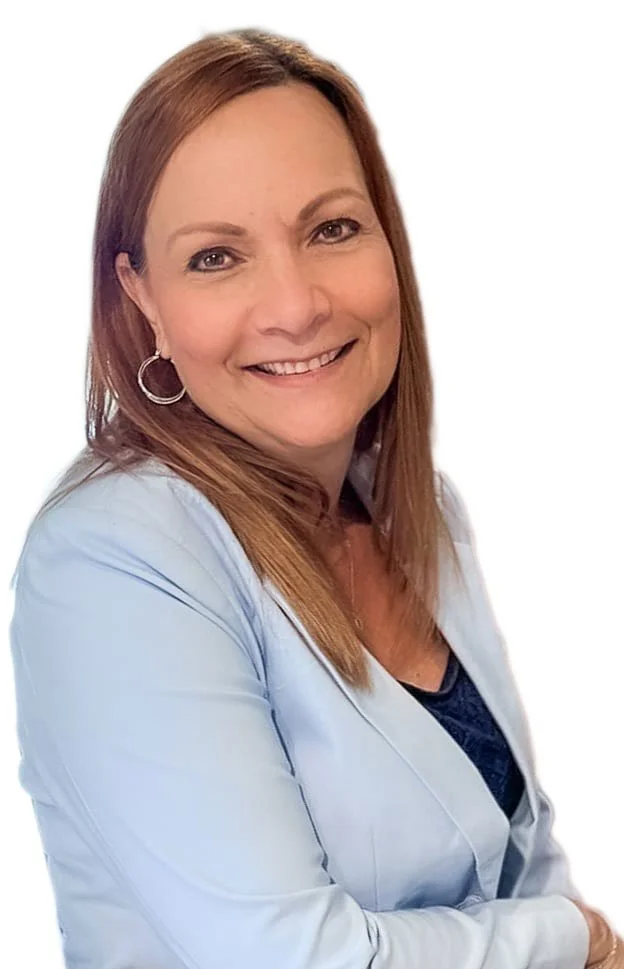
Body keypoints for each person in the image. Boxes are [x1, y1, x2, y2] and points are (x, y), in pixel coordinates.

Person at [8, 27, 621, 969]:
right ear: (141, 298)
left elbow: (519, 859)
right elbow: (288, 957)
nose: (296, 305)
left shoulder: (419, 511)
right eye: (216, 256)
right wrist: (570, 935)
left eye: (331, 229)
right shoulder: (115, 559)